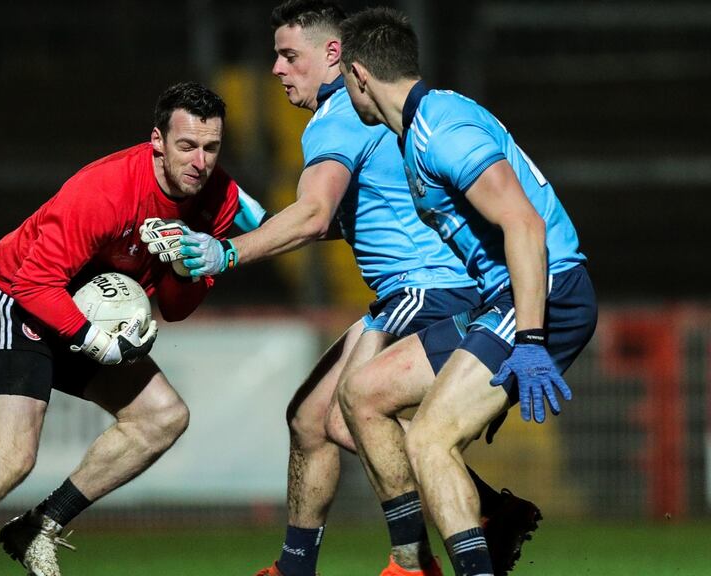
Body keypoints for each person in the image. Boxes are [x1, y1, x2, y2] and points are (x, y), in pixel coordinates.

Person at [167, 2, 540, 575]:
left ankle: (413, 562)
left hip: (429, 289)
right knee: (313, 418)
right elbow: (343, 221)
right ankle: (478, 517)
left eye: (290, 55)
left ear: (334, 55)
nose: (277, 69)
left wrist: (231, 251)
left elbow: (315, 215)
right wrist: (263, 223)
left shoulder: (338, 116)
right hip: (420, 289)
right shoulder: (358, 116)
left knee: (349, 410)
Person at [0, 81, 240, 576]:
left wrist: (181, 268)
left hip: (79, 308)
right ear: (157, 140)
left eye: (210, 147)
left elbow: (177, 309)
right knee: (11, 457)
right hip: (13, 295)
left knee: (163, 417)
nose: (199, 162)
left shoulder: (217, 201)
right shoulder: (106, 191)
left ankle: (40, 525)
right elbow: (34, 281)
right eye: (186, 146)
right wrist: (96, 340)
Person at [336, 7, 598, 576]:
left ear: (359, 75)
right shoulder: (420, 129)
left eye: (343, 82)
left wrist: (527, 339)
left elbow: (525, 226)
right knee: (362, 393)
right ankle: (412, 565)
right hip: (504, 300)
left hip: (544, 293)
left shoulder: (441, 131)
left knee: (430, 438)